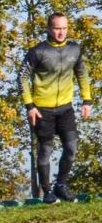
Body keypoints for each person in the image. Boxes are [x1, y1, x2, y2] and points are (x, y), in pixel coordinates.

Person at [20, 12, 91, 202]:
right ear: (49, 29)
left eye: (64, 28)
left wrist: (87, 100)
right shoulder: (38, 51)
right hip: (42, 109)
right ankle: (47, 191)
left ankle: (61, 185)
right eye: (57, 28)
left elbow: (82, 74)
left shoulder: (74, 49)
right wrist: (30, 106)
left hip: (65, 108)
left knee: (71, 147)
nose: (61, 32)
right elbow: (22, 78)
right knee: (46, 150)